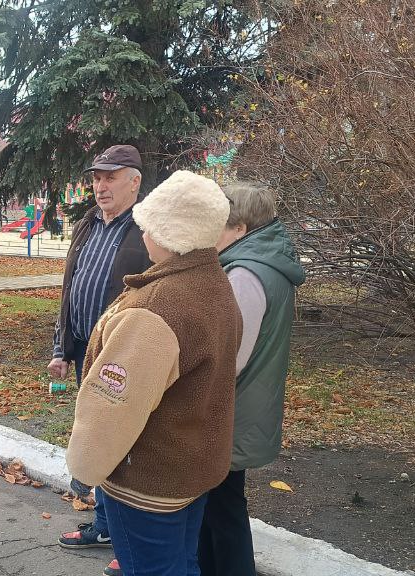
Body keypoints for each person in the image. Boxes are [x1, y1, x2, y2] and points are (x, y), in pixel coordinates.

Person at [66, 170, 241, 576]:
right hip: (192, 466)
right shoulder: (214, 284)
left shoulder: (158, 308)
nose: (141, 231)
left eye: (147, 224)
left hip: (149, 479)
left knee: (153, 570)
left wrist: (85, 468)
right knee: (182, 564)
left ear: (167, 233)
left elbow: (115, 405)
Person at [51, 145, 153, 562]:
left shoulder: (148, 228)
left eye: (111, 177)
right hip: (87, 352)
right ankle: (108, 528)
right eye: (96, 177)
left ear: (135, 181)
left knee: (126, 447)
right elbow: (70, 286)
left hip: (123, 358)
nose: (101, 185)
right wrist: (63, 345)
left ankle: (131, 540)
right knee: (100, 441)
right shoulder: (89, 223)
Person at [198, 182, 306, 576]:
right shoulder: (264, 266)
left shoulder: (244, 274)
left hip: (230, 410)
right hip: (244, 406)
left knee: (221, 510)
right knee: (221, 505)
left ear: (240, 228)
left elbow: (230, 357)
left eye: (217, 224)